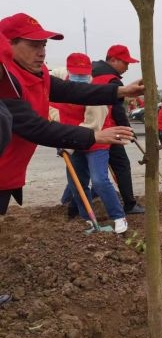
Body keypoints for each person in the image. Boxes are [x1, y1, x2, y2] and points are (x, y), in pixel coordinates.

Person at [0, 13, 144, 215]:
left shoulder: (37, 74)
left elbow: (72, 90)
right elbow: (37, 128)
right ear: (7, 45)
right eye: (33, 45)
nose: (41, 53)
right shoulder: (6, 83)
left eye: (43, 45)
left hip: (8, 172)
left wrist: (121, 91)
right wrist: (94, 136)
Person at [52, 53, 128, 233]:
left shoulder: (95, 93)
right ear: (69, 71)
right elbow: (47, 82)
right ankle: (87, 218)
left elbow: (92, 126)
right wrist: (58, 133)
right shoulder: (61, 79)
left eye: (83, 74)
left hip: (96, 139)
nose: (80, 77)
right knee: (77, 183)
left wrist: (66, 144)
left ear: (90, 72)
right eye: (75, 74)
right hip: (71, 139)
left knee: (99, 180)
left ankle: (118, 216)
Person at [92, 45, 145, 214]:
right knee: (121, 165)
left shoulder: (91, 72)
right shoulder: (112, 80)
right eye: (125, 63)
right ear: (113, 60)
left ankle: (73, 203)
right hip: (108, 128)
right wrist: (128, 130)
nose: (127, 67)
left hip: (87, 127)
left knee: (86, 166)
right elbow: (117, 110)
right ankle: (129, 204)